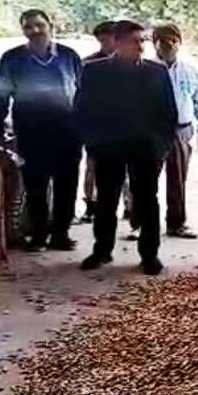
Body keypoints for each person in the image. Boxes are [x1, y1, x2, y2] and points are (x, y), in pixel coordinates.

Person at [75, 20, 178, 276]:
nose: (142, 46)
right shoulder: (94, 71)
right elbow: (82, 109)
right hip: (108, 147)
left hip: (145, 148)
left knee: (147, 201)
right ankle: (102, 250)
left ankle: (150, 254)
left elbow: (168, 112)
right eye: (135, 41)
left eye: (143, 40)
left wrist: (162, 145)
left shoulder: (156, 71)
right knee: (106, 200)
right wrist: (92, 142)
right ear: (117, 42)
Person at [0, 9, 83, 251]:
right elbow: (1, 95)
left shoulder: (68, 56)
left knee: (67, 186)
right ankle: (39, 234)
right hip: (30, 132)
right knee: (35, 186)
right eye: (29, 27)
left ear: (50, 25)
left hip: (68, 133)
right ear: (23, 31)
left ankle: (61, 234)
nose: (35, 30)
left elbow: (85, 94)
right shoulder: (12, 58)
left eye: (39, 25)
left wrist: (89, 128)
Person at [152, 24, 198, 239]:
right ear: (154, 42)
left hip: (182, 131)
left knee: (177, 180)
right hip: (152, 132)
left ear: (180, 43)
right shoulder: (145, 69)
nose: (169, 44)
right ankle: (139, 225)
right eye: (163, 40)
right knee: (147, 180)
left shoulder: (190, 71)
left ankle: (176, 224)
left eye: (173, 40)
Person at [80, 21, 117, 224]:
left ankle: (129, 208)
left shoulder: (131, 63)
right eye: (102, 38)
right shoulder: (88, 64)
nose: (106, 42)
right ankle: (91, 206)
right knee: (93, 168)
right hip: (98, 126)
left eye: (110, 37)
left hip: (124, 126)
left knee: (127, 171)